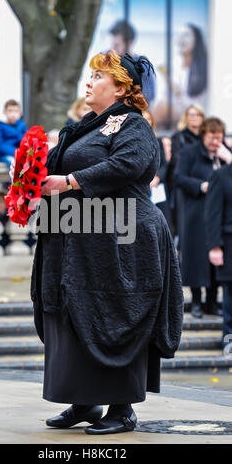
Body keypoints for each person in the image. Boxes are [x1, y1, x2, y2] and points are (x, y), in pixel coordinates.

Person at [26, 50, 183, 435]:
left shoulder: (134, 125)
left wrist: (70, 183)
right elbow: (55, 168)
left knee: (114, 315)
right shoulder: (87, 126)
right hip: (80, 240)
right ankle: (84, 400)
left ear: (120, 88)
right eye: (91, 75)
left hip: (122, 240)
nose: (89, 81)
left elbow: (127, 165)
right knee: (75, 314)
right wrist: (28, 178)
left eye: (98, 76)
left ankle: (122, 408)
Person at [175, 117, 232, 319]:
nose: (216, 142)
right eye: (212, 137)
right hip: (196, 212)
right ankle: (197, 300)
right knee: (197, 258)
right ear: (203, 136)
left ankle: (211, 301)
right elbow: (179, 177)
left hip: (219, 214)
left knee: (217, 261)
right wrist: (201, 186)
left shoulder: (225, 153)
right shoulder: (191, 152)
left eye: (219, 138)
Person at [169, 104, 205, 249]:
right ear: (186, 118)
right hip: (184, 188)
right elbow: (177, 164)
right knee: (185, 228)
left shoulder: (207, 137)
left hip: (204, 186)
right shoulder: (179, 137)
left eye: (197, 115)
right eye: (191, 115)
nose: (195, 118)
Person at [205, 163, 232, 354]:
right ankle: (229, 338)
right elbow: (212, 213)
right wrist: (215, 246)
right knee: (230, 295)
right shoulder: (221, 176)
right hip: (229, 244)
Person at [109, 20, 155, 104]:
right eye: (113, 44)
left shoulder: (142, 65)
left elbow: (149, 95)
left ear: (129, 43)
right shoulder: (106, 61)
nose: (113, 48)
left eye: (117, 45)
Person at [143, 110, 173, 233]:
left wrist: (158, 177)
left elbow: (164, 165)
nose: (146, 121)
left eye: (148, 118)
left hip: (157, 186)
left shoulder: (157, 141)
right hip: (141, 184)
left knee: (162, 219)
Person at [0, 99, 27, 166]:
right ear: (4, 112)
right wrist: (17, 152)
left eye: (16, 111)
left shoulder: (22, 126)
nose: (13, 114)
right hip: (5, 155)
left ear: (20, 113)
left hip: (21, 155)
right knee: (13, 162)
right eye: (10, 111)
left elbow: (26, 142)